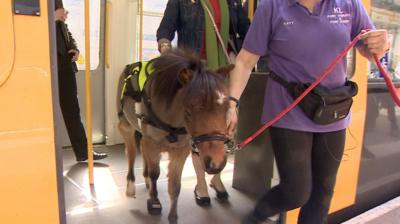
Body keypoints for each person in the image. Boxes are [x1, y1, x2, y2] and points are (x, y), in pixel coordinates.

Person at [225, 0, 390, 223]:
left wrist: (380, 45)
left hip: (332, 113)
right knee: (296, 191)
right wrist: (232, 103)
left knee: (323, 193)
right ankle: (258, 214)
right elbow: (245, 62)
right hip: (288, 112)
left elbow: (369, 51)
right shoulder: (272, 7)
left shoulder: (349, 5)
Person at [156, 0, 250, 206]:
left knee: (224, 129)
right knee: (200, 131)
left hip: (224, 72)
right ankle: (201, 184)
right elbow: (165, 28)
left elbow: (246, 30)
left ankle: (216, 177)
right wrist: (165, 47)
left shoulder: (232, 2)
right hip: (196, 76)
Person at [55, 0, 107, 162]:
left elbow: (70, 38)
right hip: (49, 71)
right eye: (63, 10)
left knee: (73, 112)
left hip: (66, 71)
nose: (66, 13)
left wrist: (76, 50)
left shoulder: (61, 25)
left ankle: (83, 153)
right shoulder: (44, 19)